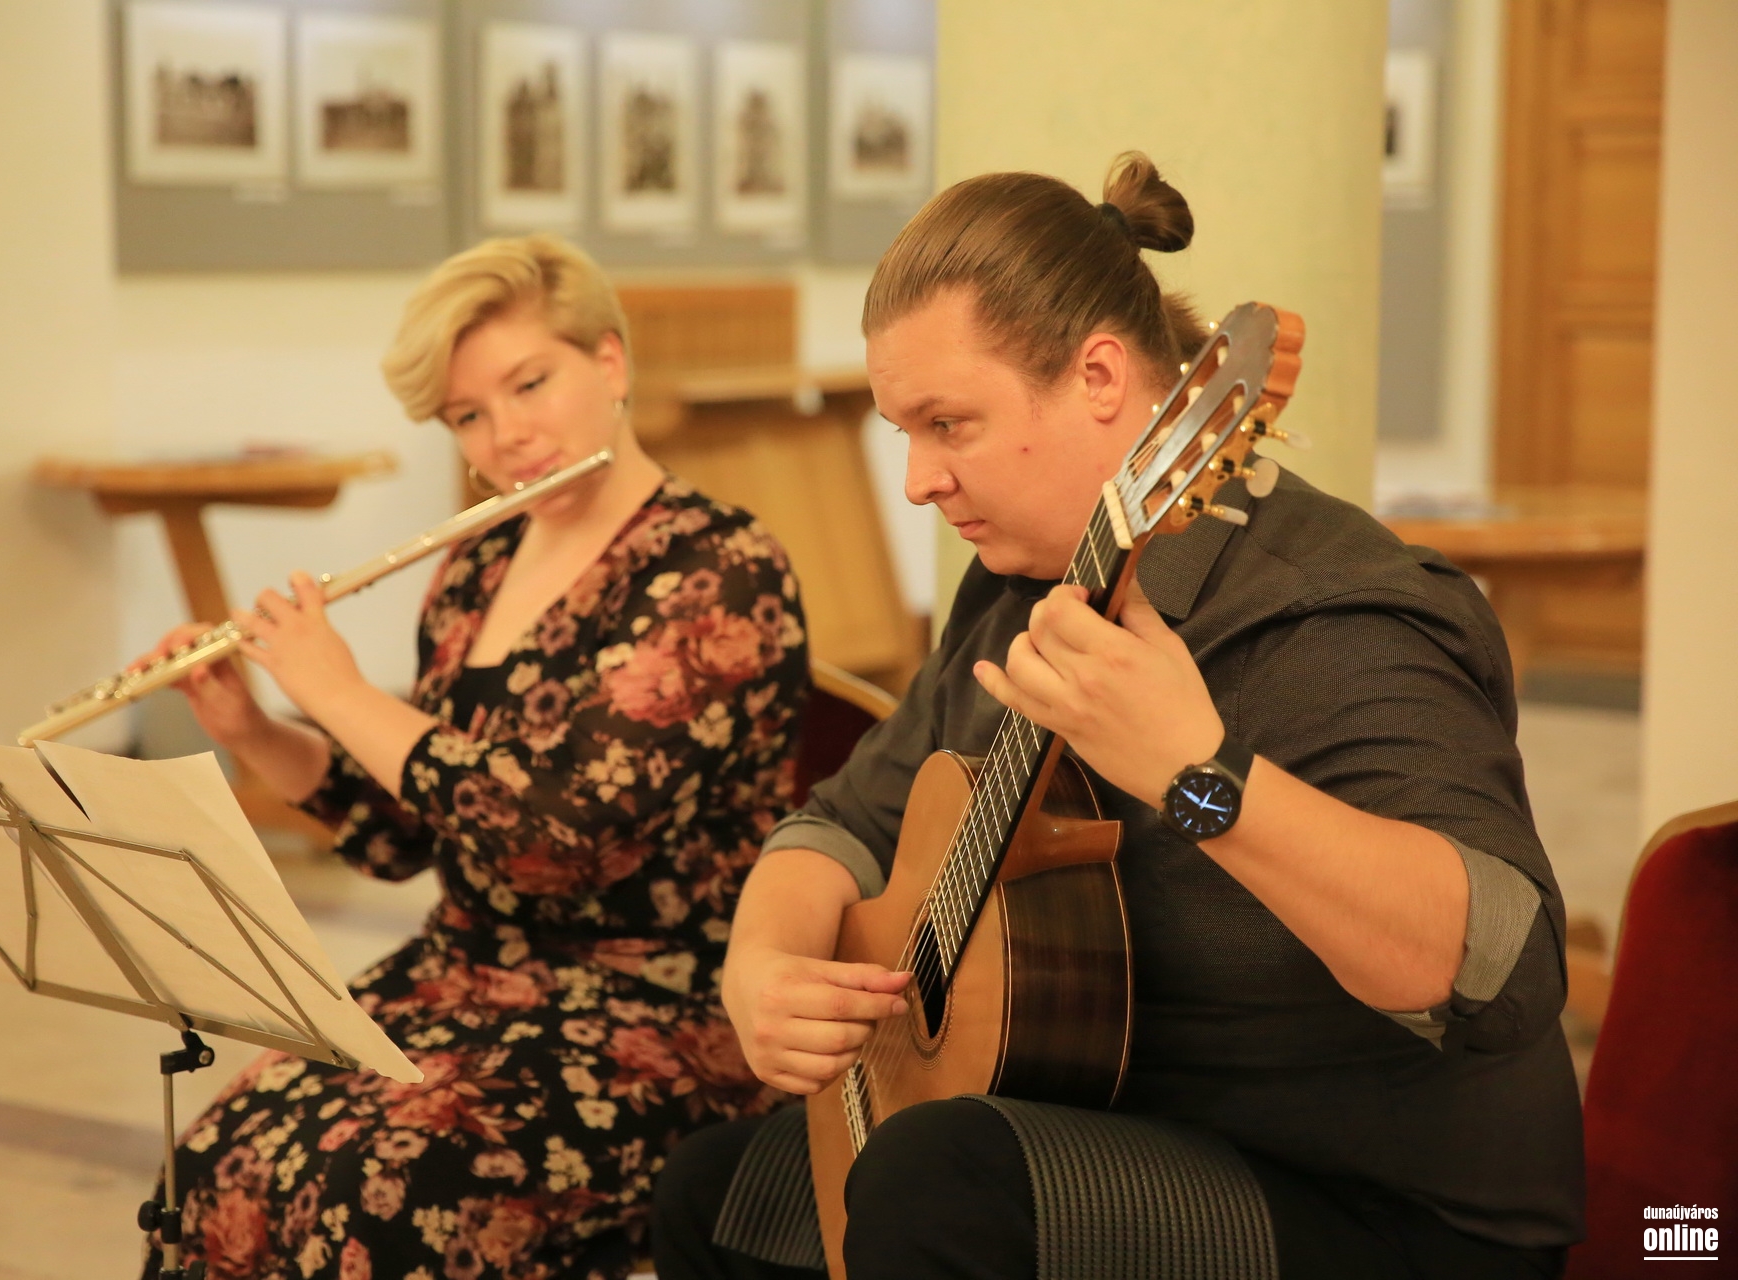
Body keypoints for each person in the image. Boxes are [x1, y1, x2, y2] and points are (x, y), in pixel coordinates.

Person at [650, 156, 1583, 1280]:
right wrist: (760, 960)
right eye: (905, 431)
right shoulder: (1019, 584)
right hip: (1118, 1125)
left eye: (949, 424)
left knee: (936, 1181)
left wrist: (1196, 775)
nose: (917, 481)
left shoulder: (1332, 613)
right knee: (719, 1190)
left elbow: (1500, 966)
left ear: (1099, 375)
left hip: (1379, 1203)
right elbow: (844, 821)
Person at [139, 233, 809, 1280]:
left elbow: (561, 839)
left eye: (529, 384)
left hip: (653, 1011)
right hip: (464, 977)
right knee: (216, 1167)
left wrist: (340, 691)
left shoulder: (718, 569)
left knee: (380, 1201)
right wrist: (255, 729)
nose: (508, 437)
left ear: (610, 361)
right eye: (468, 416)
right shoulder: (478, 563)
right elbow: (411, 829)